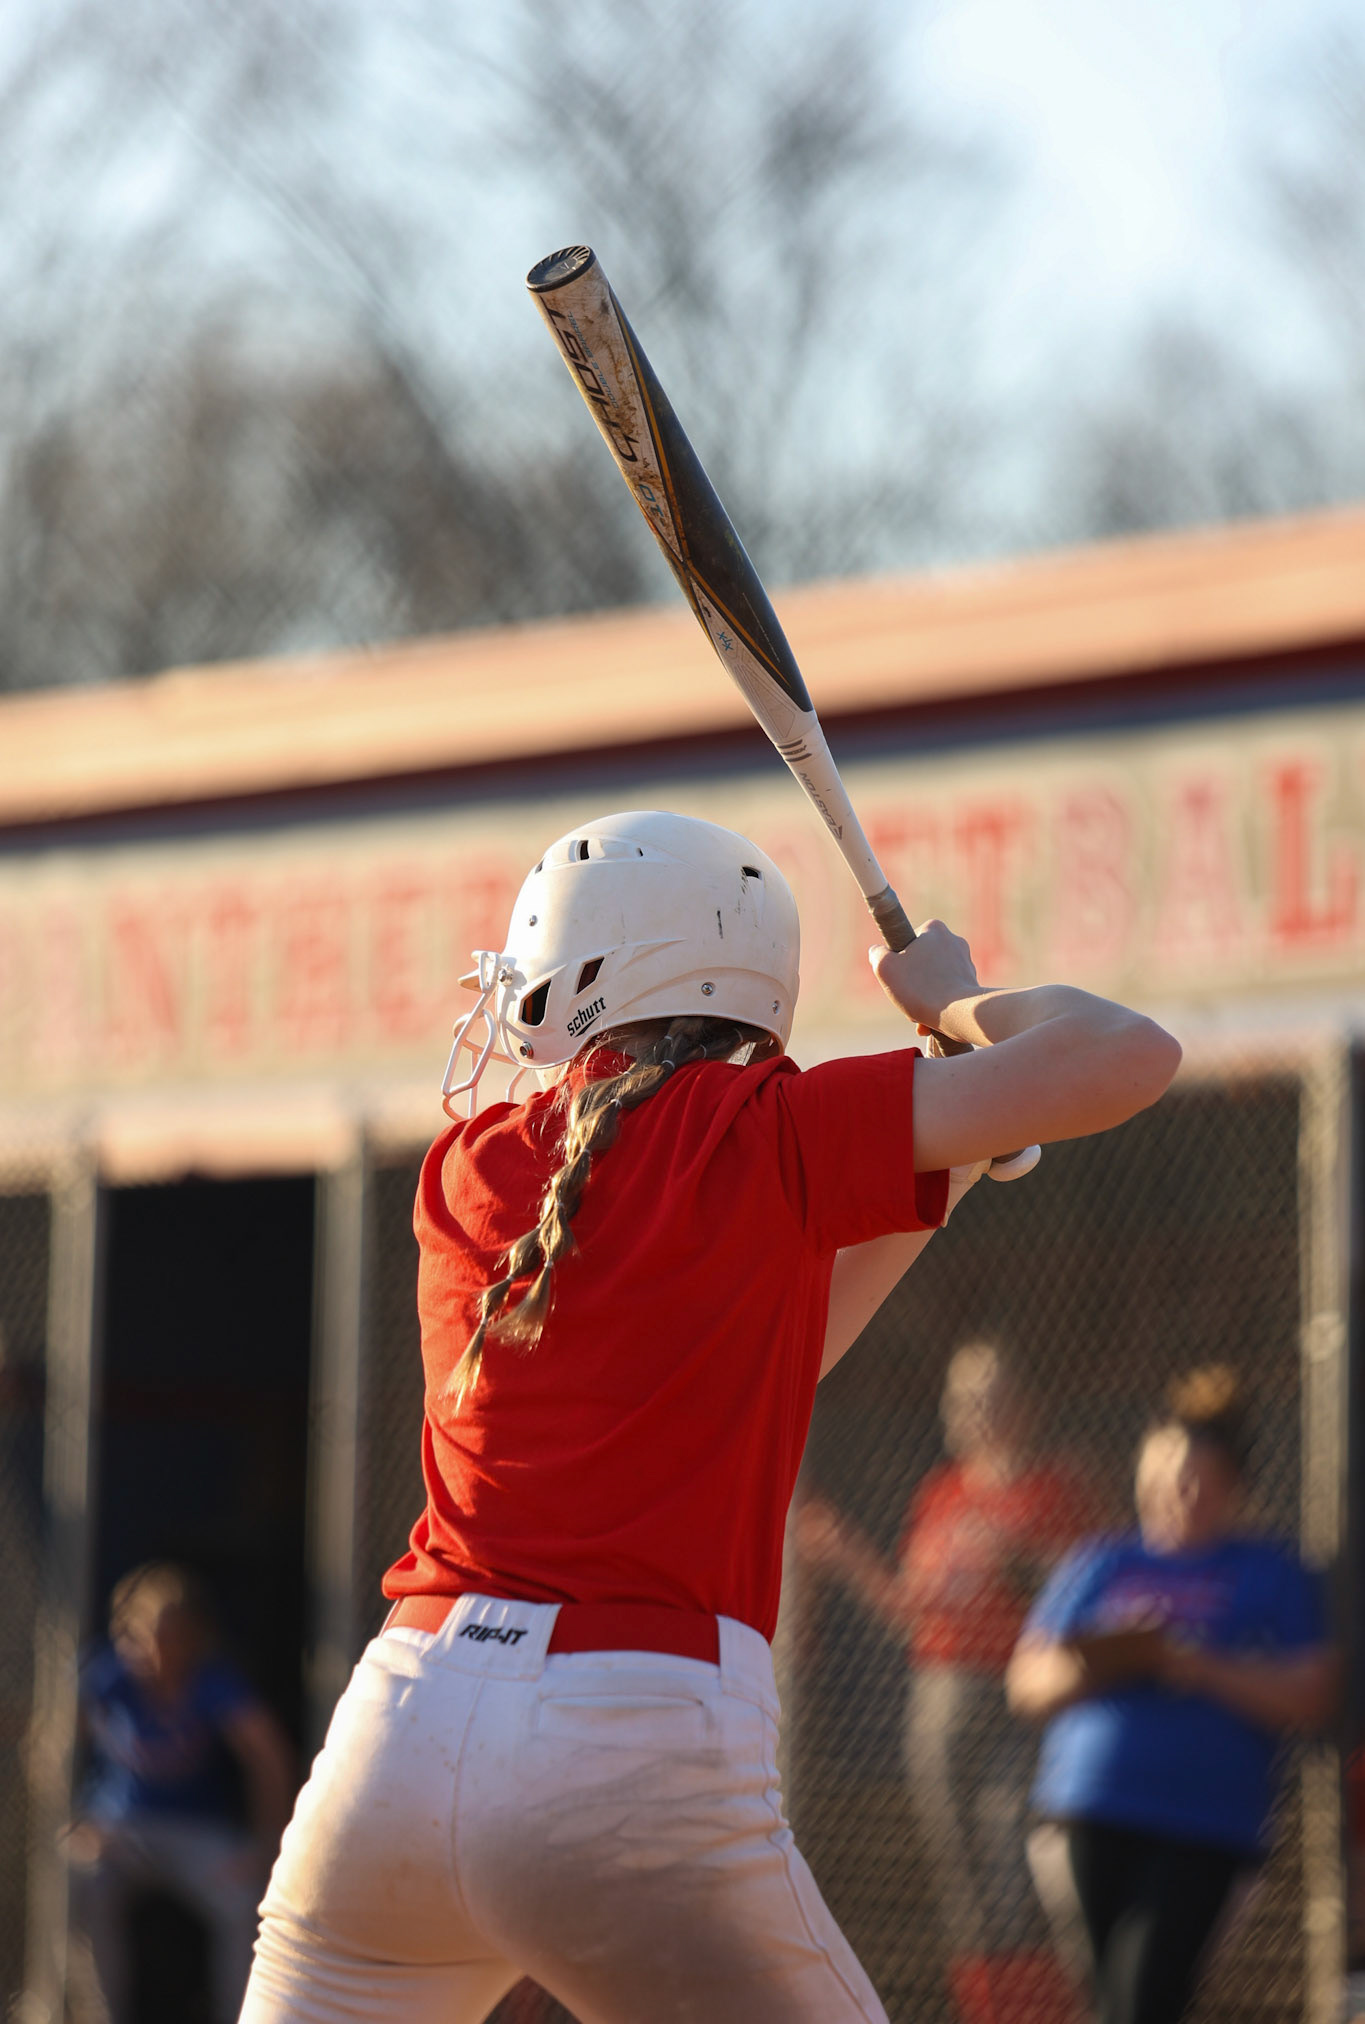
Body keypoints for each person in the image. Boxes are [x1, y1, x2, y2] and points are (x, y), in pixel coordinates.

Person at [241, 808, 1181, 2024]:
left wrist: (947, 1156)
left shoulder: (468, 1166)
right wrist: (960, 1007)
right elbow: (1127, 1054)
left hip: (397, 1735)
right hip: (628, 1730)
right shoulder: (765, 1128)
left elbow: (775, 1348)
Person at [1006, 1366, 1337, 2024]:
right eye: (1161, 1475)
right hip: (1089, 1810)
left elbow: (1310, 1694)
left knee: (1144, 1998)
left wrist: (1194, 1665)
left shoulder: (1269, 1571)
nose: (1176, 1492)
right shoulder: (1100, 1561)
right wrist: (1110, 1659)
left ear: (1232, 1487)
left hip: (1203, 1824)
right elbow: (1026, 1683)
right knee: (1113, 2003)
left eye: (1196, 1478)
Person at [797, 1341, 1094, 2024]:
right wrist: (846, 1555)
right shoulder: (943, 1493)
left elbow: (1078, 1596)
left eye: (988, 1394)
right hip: (941, 1697)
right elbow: (913, 1612)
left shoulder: (1056, 1487)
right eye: (960, 1397)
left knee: (1015, 1870)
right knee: (965, 1885)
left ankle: (1042, 2012)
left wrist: (1018, 1559)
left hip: (1022, 1697)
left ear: (1026, 1404)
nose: (971, 1410)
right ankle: (987, 2013)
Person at [70, 1561, 296, 2024]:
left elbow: (269, 1757)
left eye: (173, 1636)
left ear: (194, 1636)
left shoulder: (213, 1682)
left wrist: (266, 1844)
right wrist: (76, 1820)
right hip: (122, 1833)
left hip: (200, 1834)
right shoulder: (108, 1676)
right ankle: (97, 2017)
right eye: (149, 1636)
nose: (159, 1651)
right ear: (126, 1634)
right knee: (78, 1878)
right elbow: (54, 1748)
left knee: (249, 1906)